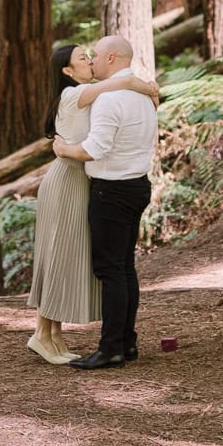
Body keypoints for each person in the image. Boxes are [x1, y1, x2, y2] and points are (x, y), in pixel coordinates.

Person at [27, 44, 159, 364]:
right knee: (58, 255)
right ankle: (43, 335)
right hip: (67, 180)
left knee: (68, 257)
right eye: (82, 59)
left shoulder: (92, 94)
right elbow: (121, 83)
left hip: (81, 180)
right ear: (67, 73)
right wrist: (141, 84)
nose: (89, 61)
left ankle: (53, 335)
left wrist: (141, 87)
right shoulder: (75, 94)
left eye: (90, 56)